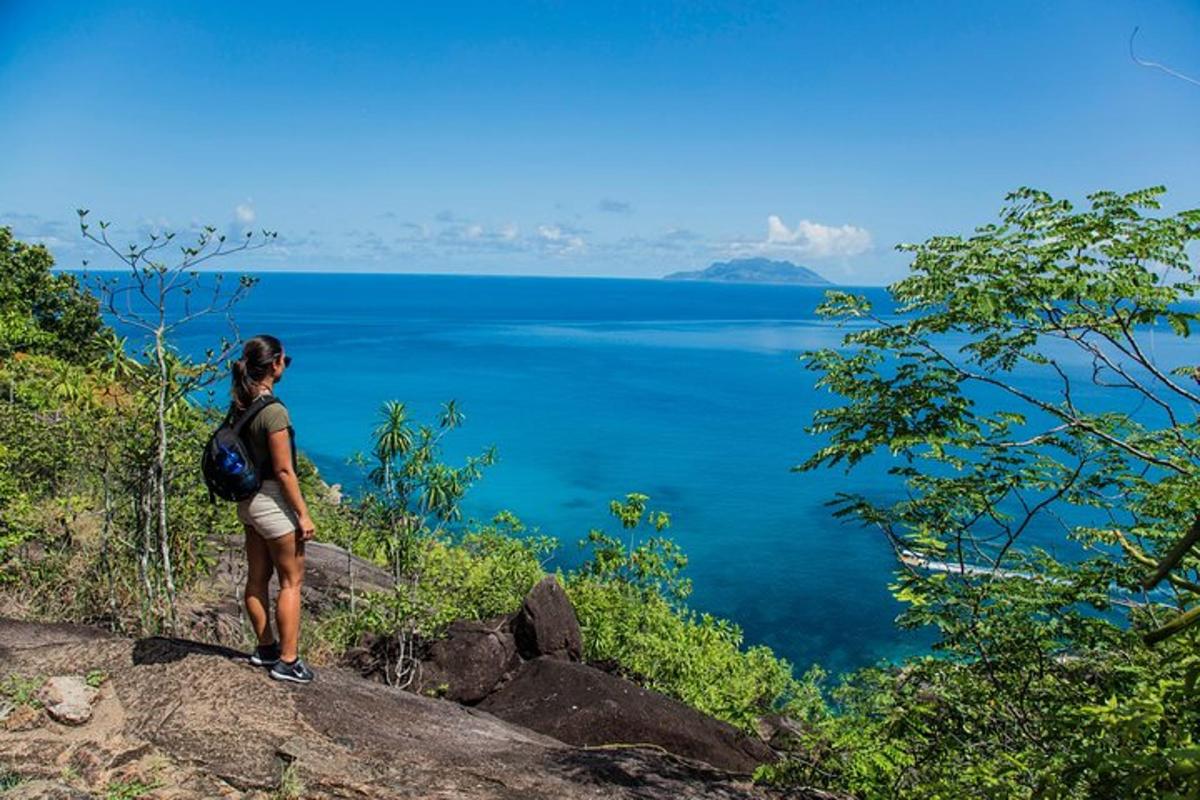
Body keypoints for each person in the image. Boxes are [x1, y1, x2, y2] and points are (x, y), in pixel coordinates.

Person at [230, 334, 317, 683]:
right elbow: (284, 470)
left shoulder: (240, 403)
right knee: (291, 582)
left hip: (248, 502)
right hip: (273, 503)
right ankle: (288, 661)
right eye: (284, 360)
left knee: (256, 579)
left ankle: (265, 648)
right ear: (275, 364)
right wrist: (303, 513)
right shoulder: (274, 411)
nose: (286, 366)